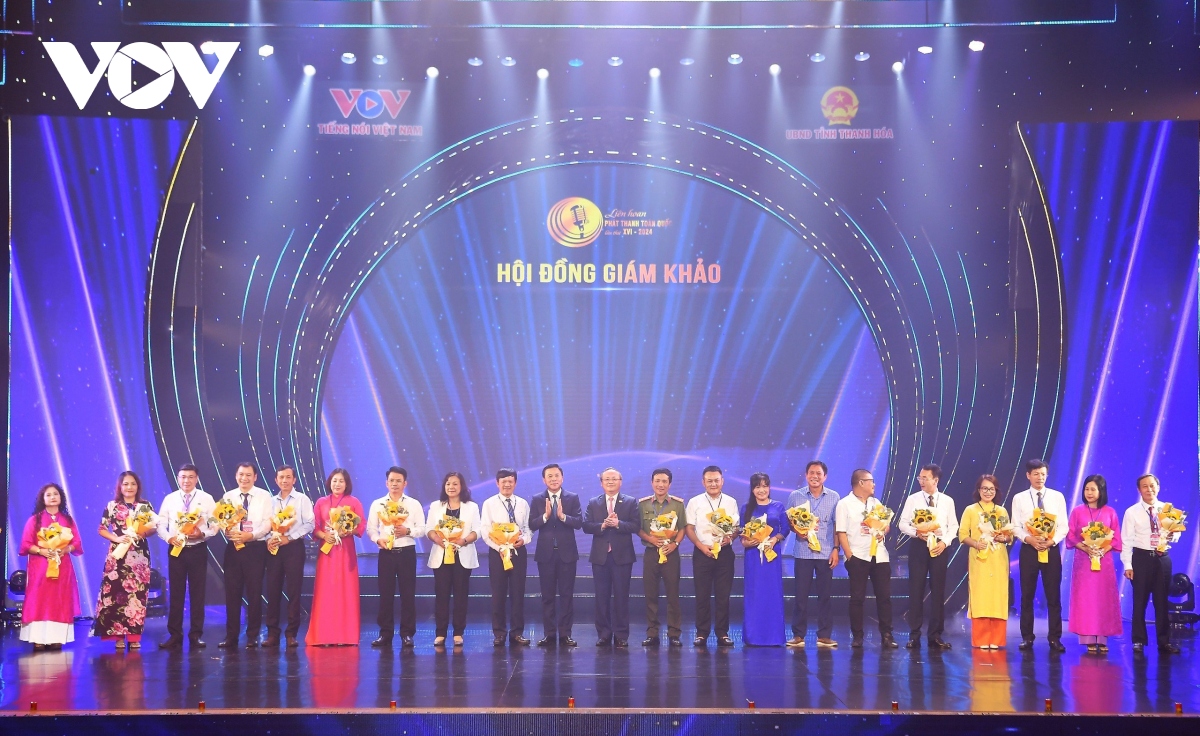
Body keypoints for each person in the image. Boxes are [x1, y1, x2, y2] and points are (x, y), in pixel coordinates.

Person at [93, 471, 157, 649]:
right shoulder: (112, 506)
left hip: (139, 556)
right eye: (126, 484)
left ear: (138, 486)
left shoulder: (145, 506)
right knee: (116, 595)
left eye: (133, 484)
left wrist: (143, 533)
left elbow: (154, 527)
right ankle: (118, 637)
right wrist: (117, 538)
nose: (129, 487)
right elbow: (101, 529)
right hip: (118, 555)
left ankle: (134, 636)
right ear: (120, 487)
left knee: (137, 595)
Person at [1009, 458, 1068, 652]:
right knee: (1027, 595)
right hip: (1029, 550)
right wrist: (1029, 539)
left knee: (1053, 595)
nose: (1040, 477)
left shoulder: (1057, 497)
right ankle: (1027, 637)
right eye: (1036, 474)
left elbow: (1063, 526)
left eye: (1043, 474)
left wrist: (1052, 541)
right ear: (1028, 475)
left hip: (1051, 549)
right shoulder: (1019, 498)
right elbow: (1015, 526)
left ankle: (1055, 638)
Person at [835, 468, 899, 648]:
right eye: (871, 481)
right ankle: (857, 636)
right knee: (857, 598)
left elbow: (886, 525)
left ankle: (887, 635)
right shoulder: (844, 504)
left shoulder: (875, 502)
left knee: (884, 597)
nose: (874, 485)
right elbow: (841, 532)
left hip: (879, 556)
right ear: (861, 483)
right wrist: (849, 556)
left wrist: (883, 530)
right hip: (858, 556)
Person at [1120, 473, 1182, 654]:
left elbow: (1176, 534)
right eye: (1145, 486)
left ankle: (1164, 642)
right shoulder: (1132, 512)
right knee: (1140, 601)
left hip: (1163, 559)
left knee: (1162, 602)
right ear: (1139, 490)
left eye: (1152, 485)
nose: (1149, 489)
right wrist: (1128, 565)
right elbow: (1126, 540)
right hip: (1141, 559)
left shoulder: (1168, 509)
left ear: (1158, 487)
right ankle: (1138, 640)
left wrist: (1173, 535)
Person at [897, 463, 958, 650]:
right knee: (916, 590)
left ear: (935, 480)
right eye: (920, 478)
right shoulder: (913, 499)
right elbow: (902, 524)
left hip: (939, 548)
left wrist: (944, 542)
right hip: (919, 546)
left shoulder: (947, 501)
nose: (921, 481)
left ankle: (935, 635)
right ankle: (914, 635)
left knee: (938, 591)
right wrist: (917, 533)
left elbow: (953, 526)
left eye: (925, 478)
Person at [157, 464, 217, 650]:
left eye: (190, 477)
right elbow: (160, 524)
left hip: (197, 549)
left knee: (198, 593)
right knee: (176, 593)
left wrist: (202, 534)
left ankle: (196, 635)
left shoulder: (207, 499)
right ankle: (175, 634)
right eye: (183, 477)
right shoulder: (170, 499)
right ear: (178, 478)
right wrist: (169, 538)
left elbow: (215, 524)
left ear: (196, 479)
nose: (186, 481)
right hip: (176, 550)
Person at [18, 483, 84, 650]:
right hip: (40, 567)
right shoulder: (35, 520)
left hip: (62, 566)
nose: (53, 497)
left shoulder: (68, 520)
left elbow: (76, 542)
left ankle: (57, 638)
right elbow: (26, 544)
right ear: (42, 499)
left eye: (56, 494)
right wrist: (42, 550)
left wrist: (66, 549)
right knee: (39, 598)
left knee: (60, 599)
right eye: (48, 494)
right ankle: (38, 638)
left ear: (61, 497)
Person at [367, 466, 426, 648]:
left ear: (405, 483)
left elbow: (422, 529)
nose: (395, 484)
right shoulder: (378, 504)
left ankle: (407, 634)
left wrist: (407, 531)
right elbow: (371, 528)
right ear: (386, 483)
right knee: (385, 594)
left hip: (406, 552)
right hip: (386, 553)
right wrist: (378, 540)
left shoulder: (413, 504)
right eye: (391, 480)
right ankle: (385, 634)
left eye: (398, 481)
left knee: (408, 594)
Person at [306, 468, 366, 646]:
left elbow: (361, 525)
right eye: (334, 480)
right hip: (327, 552)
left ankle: (346, 636)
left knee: (346, 590)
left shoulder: (353, 502)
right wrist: (325, 536)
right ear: (329, 483)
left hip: (345, 551)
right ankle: (323, 636)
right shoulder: (321, 502)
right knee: (326, 591)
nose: (337, 484)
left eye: (341, 481)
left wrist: (347, 531)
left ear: (346, 484)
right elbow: (315, 527)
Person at [218, 462, 274, 648]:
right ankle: (231, 636)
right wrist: (227, 531)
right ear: (236, 476)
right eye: (241, 474)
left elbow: (268, 523)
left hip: (255, 549)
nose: (244, 478)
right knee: (232, 593)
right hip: (234, 549)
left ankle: (252, 635)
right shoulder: (228, 496)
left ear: (255, 477)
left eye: (248, 475)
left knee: (254, 593)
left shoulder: (264, 496)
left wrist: (251, 535)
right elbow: (221, 520)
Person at [582, 467, 639, 647]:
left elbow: (636, 526)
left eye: (614, 479)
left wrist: (618, 523)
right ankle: (604, 634)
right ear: (601, 483)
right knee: (601, 597)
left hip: (622, 557)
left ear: (620, 482)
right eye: (607, 479)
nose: (610, 482)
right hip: (600, 557)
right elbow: (586, 526)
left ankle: (621, 634)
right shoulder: (594, 502)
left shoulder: (630, 501)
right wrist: (603, 525)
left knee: (621, 596)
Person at [786, 461, 840, 648]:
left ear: (825, 477)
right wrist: (798, 531)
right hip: (803, 553)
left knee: (825, 596)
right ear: (806, 475)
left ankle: (824, 635)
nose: (814, 476)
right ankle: (798, 635)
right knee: (800, 596)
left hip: (825, 553)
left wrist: (836, 549)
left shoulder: (834, 497)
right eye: (811, 473)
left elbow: (837, 525)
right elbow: (789, 522)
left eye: (818, 473)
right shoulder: (796, 496)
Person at [1066, 474, 1122, 653]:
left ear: (1101, 491)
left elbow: (1116, 537)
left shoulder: (1110, 512)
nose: (1089, 493)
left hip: (1104, 562)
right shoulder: (1077, 511)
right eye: (1086, 489)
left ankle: (1103, 637)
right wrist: (1086, 548)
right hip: (1084, 561)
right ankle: (1088, 637)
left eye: (1093, 489)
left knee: (1103, 598)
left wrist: (1103, 550)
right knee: (1087, 599)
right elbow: (1071, 535)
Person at [529, 463, 583, 647]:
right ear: (544, 480)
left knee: (567, 595)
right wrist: (545, 516)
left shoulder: (572, 498)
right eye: (549, 476)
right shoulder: (537, 499)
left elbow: (579, 522)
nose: (553, 479)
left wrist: (563, 517)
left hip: (567, 555)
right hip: (545, 555)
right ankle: (549, 634)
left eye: (556, 475)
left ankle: (566, 634)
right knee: (547, 596)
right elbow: (532, 524)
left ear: (562, 478)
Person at [685, 465, 740, 647]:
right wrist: (701, 546)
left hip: (724, 554)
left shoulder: (731, 502)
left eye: (716, 480)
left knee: (723, 595)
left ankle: (722, 633)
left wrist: (730, 538)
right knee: (702, 595)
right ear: (703, 482)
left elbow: (736, 528)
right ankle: (701, 633)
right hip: (703, 553)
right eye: (709, 481)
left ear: (722, 481)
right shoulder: (695, 502)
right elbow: (689, 528)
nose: (713, 484)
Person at [956, 474, 1011, 649]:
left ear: (996, 491)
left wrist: (1003, 538)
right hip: (979, 559)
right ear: (978, 490)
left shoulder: (1001, 511)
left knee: (997, 597)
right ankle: (981, 639)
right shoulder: (970, 510)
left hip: (998, 559)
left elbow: (1009, 536)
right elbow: (962, 535)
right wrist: (976, 544)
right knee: (981, 596)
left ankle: (996, 639)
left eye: (991, 489)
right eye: (985, 488)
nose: (988, 492)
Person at [426, 471, 480, 647]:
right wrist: (437, 539)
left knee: (460, 596)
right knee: (441, 596)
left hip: (462, 555)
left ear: (462, 486)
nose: (451, 487)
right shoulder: (436, 506)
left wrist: (463, 541)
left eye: (455, 483)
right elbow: (429, 529)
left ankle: (458, 633)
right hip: (441, 555)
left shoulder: (471, 507)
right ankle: (440, 633)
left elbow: (477, 531)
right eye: (448, 483)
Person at [479, 467, 532, 647]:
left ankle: (517, 633)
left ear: (515, 483)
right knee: (498, 593)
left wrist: (524, 540)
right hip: (498, 554)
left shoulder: (523, 503)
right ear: (497, 483)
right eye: (503, 481)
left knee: (518, 593)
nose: (507, 484)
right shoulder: (489, 504)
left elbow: (527, 529)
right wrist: (500, 547)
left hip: (518, 552)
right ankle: (499, 633)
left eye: (510, 481)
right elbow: (485, 531)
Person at [263, 465, 315, 648]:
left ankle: (291, 633)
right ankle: (272, 633)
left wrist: (289, 537)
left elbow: (310, 524)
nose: (284, 481)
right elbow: (264, 525)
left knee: (294, 591)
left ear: (294, 480)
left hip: (294, 548)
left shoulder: (302, 499)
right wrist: (268, 539)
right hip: (274, 549)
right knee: (273, 590)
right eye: (281, 477)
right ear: (276, 480)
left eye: (288, 477)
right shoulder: (269, 501)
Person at [636, 468, 686, 647]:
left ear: (669, 484)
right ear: (652, 483)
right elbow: (637, 528)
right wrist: (650, 539)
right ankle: (652, 633)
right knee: (651, 594)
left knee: (673, 594)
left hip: (671, 553)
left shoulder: (678, 505)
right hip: (651, 553)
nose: (661, 484)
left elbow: (682, 528)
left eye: (664, 481)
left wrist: (675, 544)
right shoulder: (643, 504)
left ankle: (674, 633)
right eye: (657, 481)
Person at [740, 473, 789, 647]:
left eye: (765, 486)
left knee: (772, 593)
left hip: (771, 555)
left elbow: (785, 529)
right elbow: (742, 533)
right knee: (755, 594)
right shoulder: (746, 508)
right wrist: (747, 542)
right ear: (752, 490)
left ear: (769, 487)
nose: (762, 490)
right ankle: (753, 637)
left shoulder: (778, 506)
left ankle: (774, 637)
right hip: (753, 557)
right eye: (757, 487)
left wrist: (775, 539)